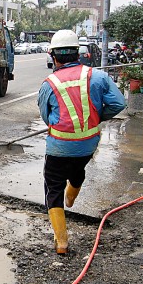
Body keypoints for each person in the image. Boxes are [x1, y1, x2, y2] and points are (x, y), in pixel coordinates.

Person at [38, 29, 125, 254]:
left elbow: (46, 117)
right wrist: (96, 117)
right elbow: (118, 104)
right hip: (88, 144)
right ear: (77, 53)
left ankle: (62, 242)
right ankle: (72, 196)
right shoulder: (98, 76)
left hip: (58, 145)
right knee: (78, 169)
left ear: (53, 56)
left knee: (52, 187)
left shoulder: (49, 83)